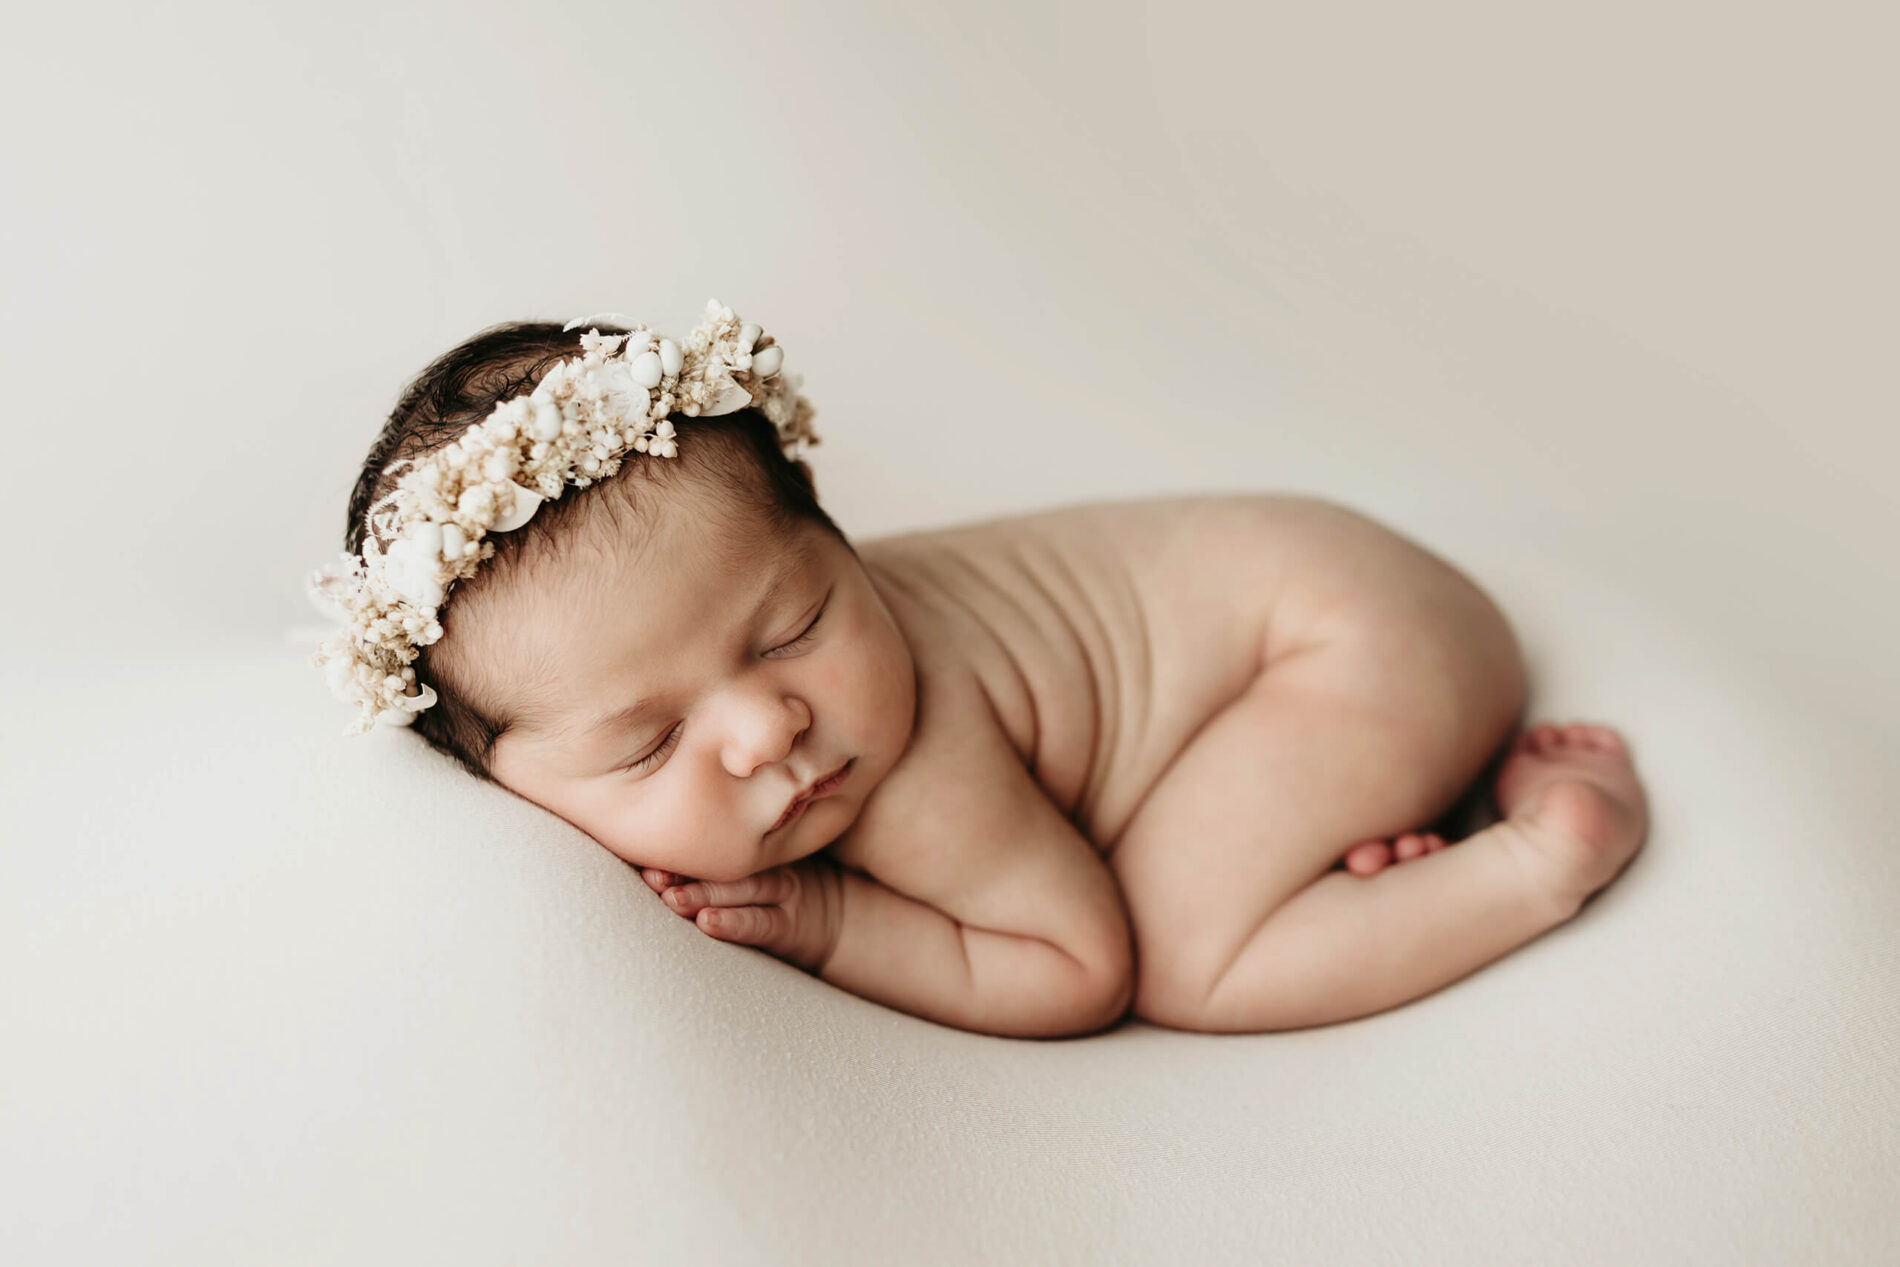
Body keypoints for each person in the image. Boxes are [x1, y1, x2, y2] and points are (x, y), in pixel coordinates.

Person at [309, 301, 1648, 1039]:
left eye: (792, 631)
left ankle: (1539, 861)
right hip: (1326, 594)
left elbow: (1076, 965)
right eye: (649, 743)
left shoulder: (907, 760)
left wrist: (839, 924)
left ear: (832, 532)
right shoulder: (772, 658)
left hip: (1347, 640)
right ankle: (1348, 819)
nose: (771, 726)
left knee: (1192, 956)